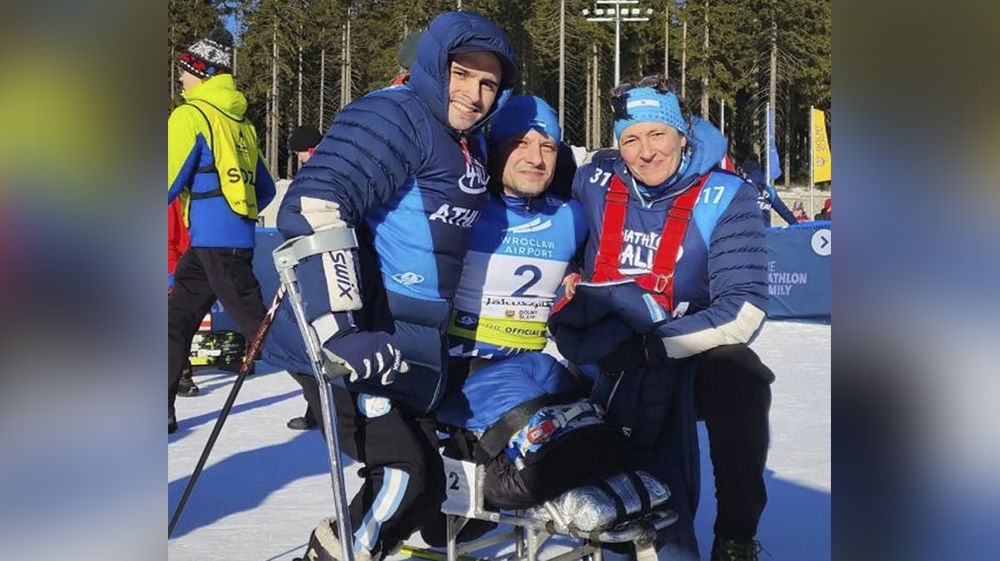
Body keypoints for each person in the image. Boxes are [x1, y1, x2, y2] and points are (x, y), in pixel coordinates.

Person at [262, 11, 517, 561]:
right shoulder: (393, 114)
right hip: (352, 338)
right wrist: (339, 327)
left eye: (488, 83)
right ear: (433, 66)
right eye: (461, 74)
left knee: (426, 484)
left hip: (408, 344)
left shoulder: (466, 139)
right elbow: (315, 204)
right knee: (404, 473)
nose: (474, 94)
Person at [555, 76, 775, 561]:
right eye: (631, 139)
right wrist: (568, 270)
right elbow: (550, 217)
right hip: (607, 351)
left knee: (742, 376)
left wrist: (654, 346)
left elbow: (744, 308)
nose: (646, 152)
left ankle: (735, 535)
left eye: (657, 134)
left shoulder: (726, 195)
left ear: (682, 135)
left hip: (685, 353)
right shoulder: (594, 182)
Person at [167, 28, 276, 434]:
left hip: (213, 242)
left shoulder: (190, 115)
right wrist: (234, 215)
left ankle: (330, 399)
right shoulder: (240, 121)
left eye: (184, 71)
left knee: (263, 332)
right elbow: (265, 188)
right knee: (174, 321)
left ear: (202, 73)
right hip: (219, 244)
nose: (180, 79)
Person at [447, 94, 586, 361]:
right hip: (459, 362)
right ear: (497, 150)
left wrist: (576, 273)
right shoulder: (465, 209)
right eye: (519, 143)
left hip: (539, 363)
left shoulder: (572, 216)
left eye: (547, 147)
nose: (536, 159)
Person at [168, 198, 200, 398]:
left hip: (180, 266)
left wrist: (172, 273)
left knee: (175, 326)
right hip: (180, 264)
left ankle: (181, 374)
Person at [741, 154, 797, 226]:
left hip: (746, 230)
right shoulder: (769, 190)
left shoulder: (741, 189)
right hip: (765, 231)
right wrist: (796, 225)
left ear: (746, 173)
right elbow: (783, 211)